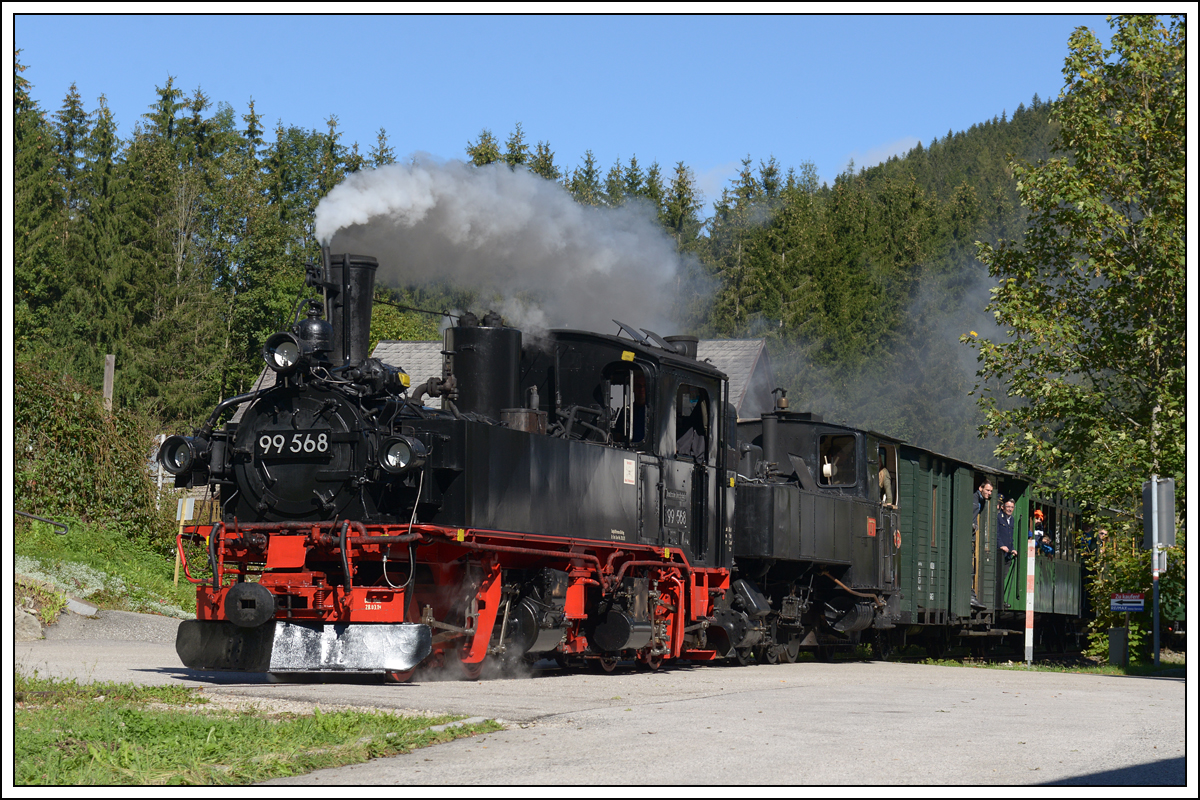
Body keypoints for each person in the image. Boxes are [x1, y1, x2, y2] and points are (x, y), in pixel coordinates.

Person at [970, 479, 992, 609]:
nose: (989, 493)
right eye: (987, 490)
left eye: (990, 491)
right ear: (980, 488)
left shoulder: (981, 501)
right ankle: (970, 595)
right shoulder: (974, 499)